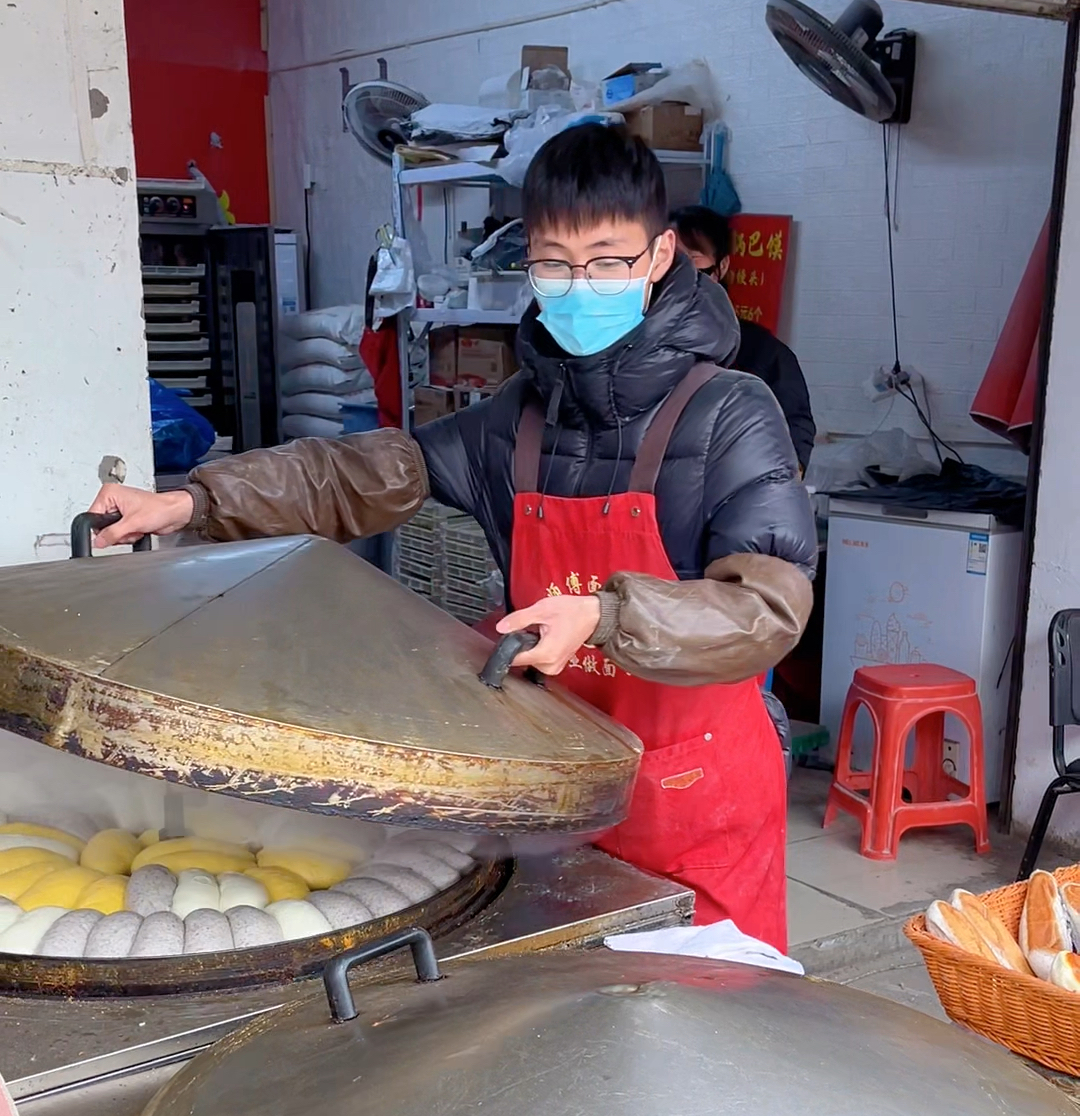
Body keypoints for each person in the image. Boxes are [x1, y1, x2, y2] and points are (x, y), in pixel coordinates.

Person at [91, 124, 816, 948]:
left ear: (659, 257)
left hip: (692, 797)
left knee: (701, 1011)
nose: (580, 287)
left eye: (608, 262)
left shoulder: (732, 415)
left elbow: (767, 609)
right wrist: (192, 501)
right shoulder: (518, 421)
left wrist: (606, 617)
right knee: (560, 1000)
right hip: (555, 788)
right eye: (554, 264)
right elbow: (361, 472)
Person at [671, 205, 816, 473]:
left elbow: (794, 431)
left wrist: (781, 480)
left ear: (722, 266)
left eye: (692, 258)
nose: (678, 270)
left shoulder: (764, 352)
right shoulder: (635, 342)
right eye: (669, 257)